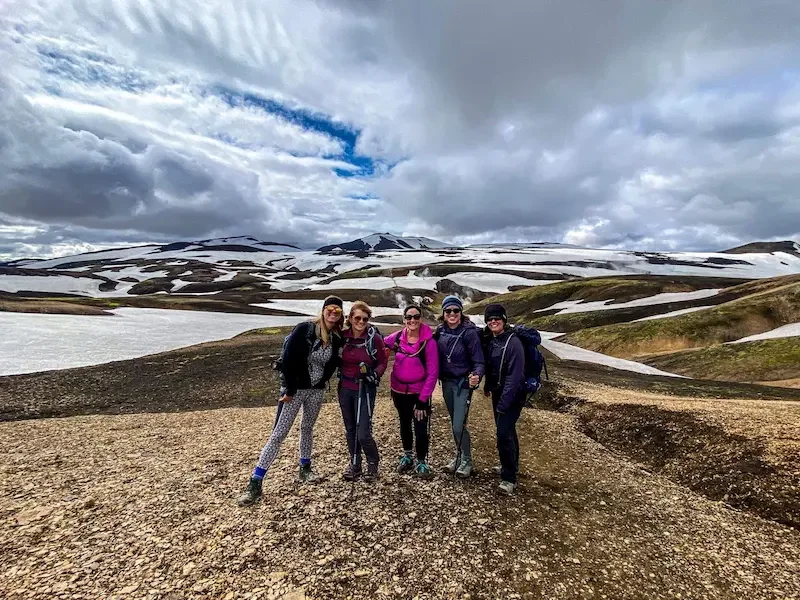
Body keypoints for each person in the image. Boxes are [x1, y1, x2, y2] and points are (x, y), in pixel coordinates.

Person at [237, 296, 345, 506]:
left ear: (341, 315)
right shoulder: (304, 329)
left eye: (338, 311)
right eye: (330, 309)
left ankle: (305, 468)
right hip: (294, 391)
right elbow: (287, 360)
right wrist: (290, 389)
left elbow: (337, 361)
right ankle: (255, 482)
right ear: (323, 310)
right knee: (278, 434)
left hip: (316, 391)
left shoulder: (337, 338)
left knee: (307, 428)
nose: (333, 313)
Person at [384, 304, 439, 478]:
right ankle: (408, 456)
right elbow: (381, 343)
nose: (412, 320)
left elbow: (433, 373)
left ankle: (421, 461)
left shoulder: (428, 342)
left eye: (416, 317)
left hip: (418, 393)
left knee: (421, 427)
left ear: (421, 319)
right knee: (404, 424)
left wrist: (423, 399)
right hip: (399, 391)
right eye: (409, 317)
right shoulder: (398, 337)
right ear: (404, 319)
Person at [435, 295, 484, 478]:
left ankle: (467, 461)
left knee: (458, 425)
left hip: (463, 384)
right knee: (455, 422)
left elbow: (479, 361)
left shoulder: (469, 333)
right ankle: (458, 457)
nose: (452, 313)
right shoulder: (440, 331)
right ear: (444, 313)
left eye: (456, 310)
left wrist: (477, 375)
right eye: (448, 311)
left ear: (461, 312)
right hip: (446, 383)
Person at [338, 301, 388, 482]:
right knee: (350, 429)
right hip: (345, 388)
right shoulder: (342, 336)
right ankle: (355, 464)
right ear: (350, 318)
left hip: (365, 388)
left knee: (363, 432)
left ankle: (373, 463)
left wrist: (375, 374)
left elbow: (382, 361)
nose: (360, 321)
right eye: (357, 318)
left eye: (364, 319)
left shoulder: (373, 338)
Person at [482, 303, 525, 495]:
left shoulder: (513, 342)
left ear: (504, 319)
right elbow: (492, 368)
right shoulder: (493, 340)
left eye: (497, 318)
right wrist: (487, 386)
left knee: (502, 432)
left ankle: (509, 478)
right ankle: (511, 466)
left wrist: (504, 403)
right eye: (490, 319)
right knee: (508, 431)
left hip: (513, 394)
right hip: (499, 392)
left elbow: (515, 377)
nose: (493, 321)